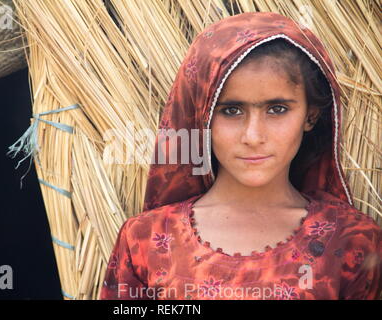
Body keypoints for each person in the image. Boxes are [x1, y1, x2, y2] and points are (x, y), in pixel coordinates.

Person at [100, 11, 381, 300]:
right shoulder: (148, 240)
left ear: (310, 116)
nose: (253, 136)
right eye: (231, 110)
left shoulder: (351, 241)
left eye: (277, 109)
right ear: (203, 118)